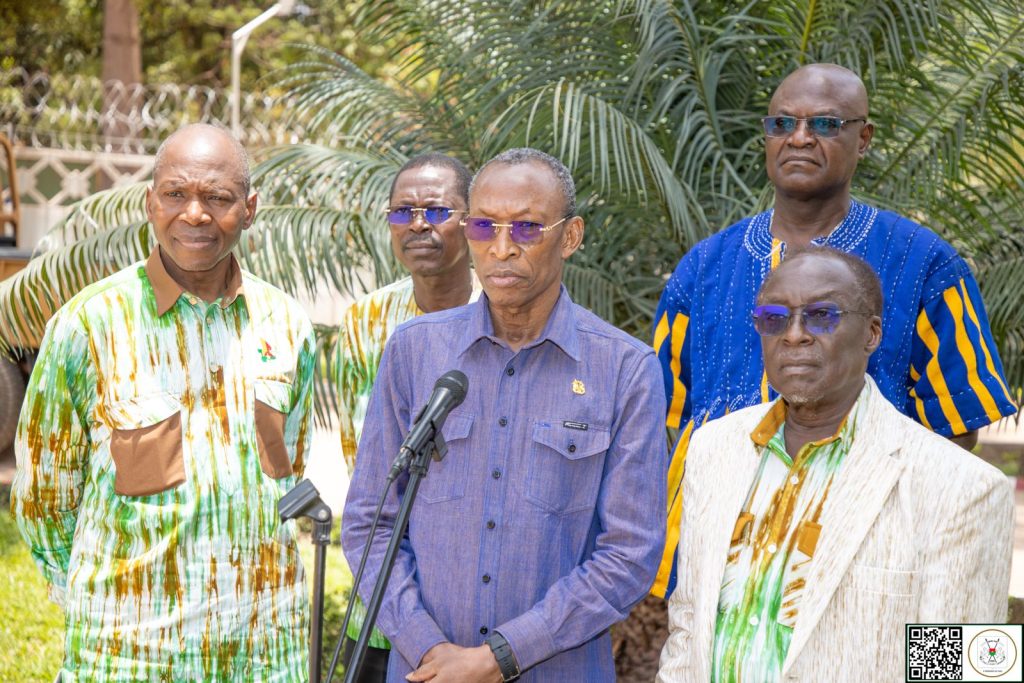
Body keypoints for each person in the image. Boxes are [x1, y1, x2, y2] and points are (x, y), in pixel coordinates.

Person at [651, 63, 1016, 598]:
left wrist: (896, 549)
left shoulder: (925, 266)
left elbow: (955, 428)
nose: (799, 138)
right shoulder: (703, 269)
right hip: (713, 566)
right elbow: (665, 418)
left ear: (863, 139)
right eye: (782, 123)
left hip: (862, 563)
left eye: (824, 124)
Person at [342, 148, 667, 682]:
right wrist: (426, 647)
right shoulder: (414, 351)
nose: (501, 248)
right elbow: (370, 521)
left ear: (570, 236)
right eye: (483, 226)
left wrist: (498, 659)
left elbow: (630, 553)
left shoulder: (626, 370)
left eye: (527, 228)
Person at [11, 123, 315, 681]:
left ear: (249, 210)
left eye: (218, 198)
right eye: (176, 194)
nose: (195, 214)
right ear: (150, 203)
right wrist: (97, 602)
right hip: (131, 653)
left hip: (264, 650)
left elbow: (289, 469)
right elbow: (43, 498)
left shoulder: (287, 325)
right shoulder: (89, 325)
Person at [657, 247, 1013, 682]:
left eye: (822, 316)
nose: (794, 335)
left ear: (872, 334)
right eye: (774, 318)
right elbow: (689, 624)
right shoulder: (714, 449)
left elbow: (955, 675)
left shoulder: (963, 488)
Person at [335, 152, 481, 680]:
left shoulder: (505, 314)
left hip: (477, 609)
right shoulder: (365, 321)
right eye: (403, 212)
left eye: (436, 211)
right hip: (383, 610)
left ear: (471, 221)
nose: (418, 225)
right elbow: (366, 467)